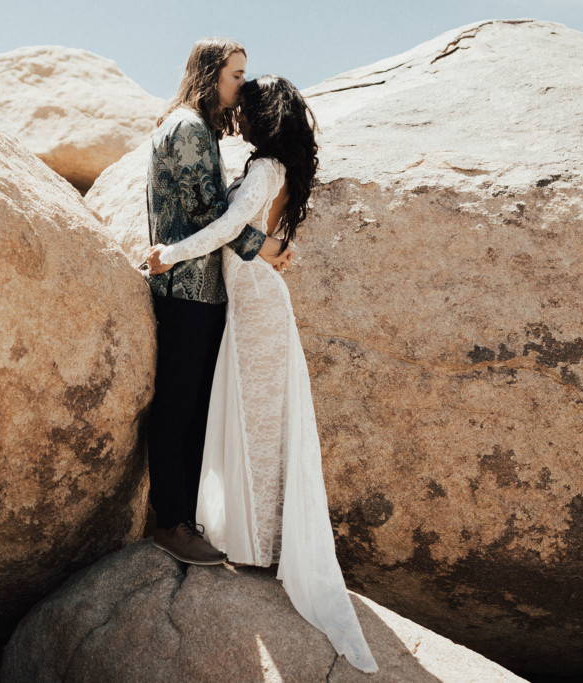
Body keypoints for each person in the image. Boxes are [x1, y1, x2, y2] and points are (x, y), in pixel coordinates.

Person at [145, 75, 379, 674]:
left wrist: (167, 254)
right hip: (255, 302)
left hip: (255, 310)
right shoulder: (278, 169)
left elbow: (225, 231)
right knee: (259, 422)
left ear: (263, 117)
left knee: (257, 422)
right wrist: (266, 246)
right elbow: (254, 235)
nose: (237, 116)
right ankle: (261, 542)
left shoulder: (263, 168)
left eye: (246, 108)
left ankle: (262, 545)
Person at [143, 38, 294, 567]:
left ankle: (183, 515)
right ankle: (170, 523)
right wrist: (266, 248)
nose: (242, 85)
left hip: (203, 288)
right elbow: (213, 216)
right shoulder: (186, 128)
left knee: (193, 410)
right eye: (235, 75)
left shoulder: (197, 128)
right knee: (178, 408)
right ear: (209, 74)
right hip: (187, 289)